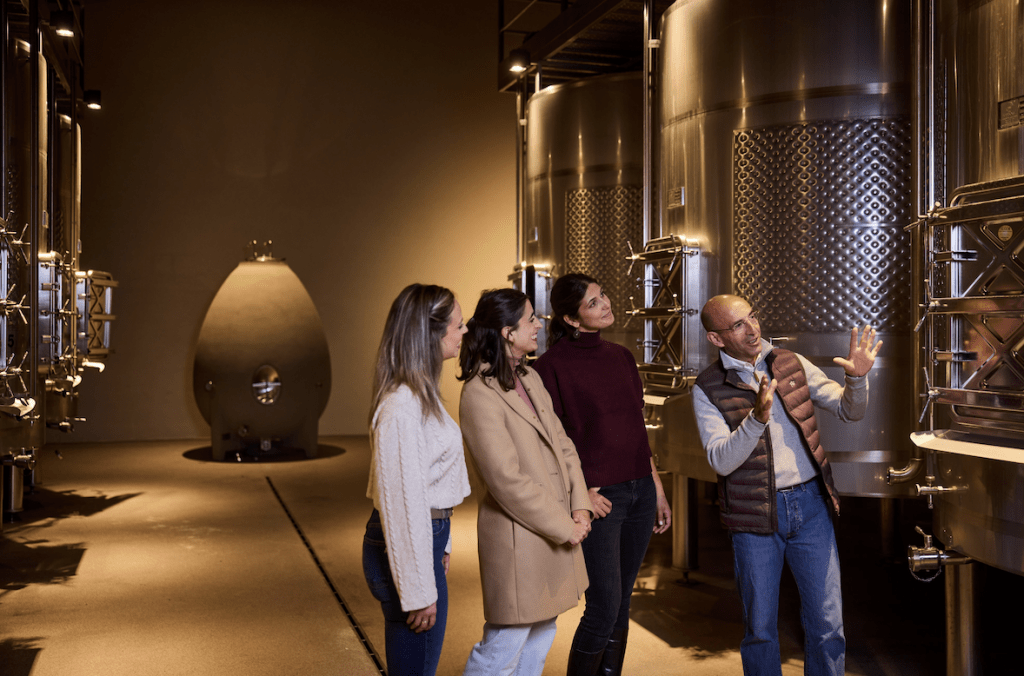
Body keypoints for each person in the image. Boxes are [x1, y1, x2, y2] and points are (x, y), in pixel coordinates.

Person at [692, 294, 881, 676]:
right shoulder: (708, 387)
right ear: (716, 338)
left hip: (811, 506)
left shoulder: (789, 361)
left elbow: (849, 410)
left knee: (828, 625)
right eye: (739, 325)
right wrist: (755, 420)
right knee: (760, 630)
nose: (753, 329)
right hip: (754, 516)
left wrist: (857, 379)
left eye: (753, 317)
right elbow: (720, 459)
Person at [532, 273, 672, 676]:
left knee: (622, 601)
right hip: (602, 499)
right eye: (593, 302)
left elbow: (635, 430)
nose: (606, 304)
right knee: (603, 606)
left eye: (602, 295)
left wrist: (657, 487)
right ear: (571, 319)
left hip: (640, 490)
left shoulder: (622, 356)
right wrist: (581, 496)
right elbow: (551, 445)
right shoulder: (550, 368)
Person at [458, 287, 594, 676]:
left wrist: (580, 506)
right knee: (504, 643)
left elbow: (563, 444)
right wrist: (565, 526)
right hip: (521, 536)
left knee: (542, 631)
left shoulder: (529, 377)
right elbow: (506, 481)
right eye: (530, 319)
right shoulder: (478, 394)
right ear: (507, 332)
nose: (538, 324)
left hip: (554, 528)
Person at [362, 283, 472, 676]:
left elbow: (431, 482)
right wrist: (418, 592)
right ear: (431, 333)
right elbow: (402, 504)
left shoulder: (419, 397)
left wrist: (444, 541)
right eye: (458, 325)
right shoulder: (401, 408)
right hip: (409, 543)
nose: (464, 332)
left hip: (427, 537)